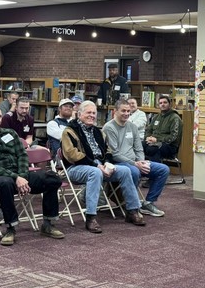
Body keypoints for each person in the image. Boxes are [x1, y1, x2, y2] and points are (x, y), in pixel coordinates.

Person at [0, 105, 65, 246]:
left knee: (52, 178)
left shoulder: (10, 133)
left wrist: (22, 176)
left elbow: (22, 156)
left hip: (21, 175)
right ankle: (10, 228)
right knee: (6, 183)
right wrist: (16, 178)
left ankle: (48, 224)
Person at [61, 100, 146, 233]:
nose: (92, 115)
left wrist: (107, 162)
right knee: (95, 172)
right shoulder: (69, 131)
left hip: (100, 166)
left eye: (94, 113)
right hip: (76, 167)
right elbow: (72, 154)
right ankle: (91, 217)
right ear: (79, 114)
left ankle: (132, 210)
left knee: (125, 170)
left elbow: (108, 150)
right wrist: (96, 164)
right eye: (88, 112)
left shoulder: (98, 131)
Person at [103, 98, 171, 217]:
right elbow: (115, 154)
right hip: (118, 163)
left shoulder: (132, 126)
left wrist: (141, 162)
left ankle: (148, 203)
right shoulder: (109, 127)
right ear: (115, 111)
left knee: (163, 169)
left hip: (135, 162)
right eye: (123, 111)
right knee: (134, 171)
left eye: (128, 111)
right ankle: (131, 205)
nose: (126, 113)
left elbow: (139, 148)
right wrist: (135, 164)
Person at [144, 94, 182, 162]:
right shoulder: (156, 117)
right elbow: (149, 130)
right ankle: (141, 167)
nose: (162, 104)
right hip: (153, 142)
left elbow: (173, 137)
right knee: (140, 145)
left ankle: (155, 168)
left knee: (152, 149)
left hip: (169, 146)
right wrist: (148, 137)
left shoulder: (175, 118)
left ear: (169, 104)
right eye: (160, 103)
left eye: (165, 102)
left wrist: (157, 139)